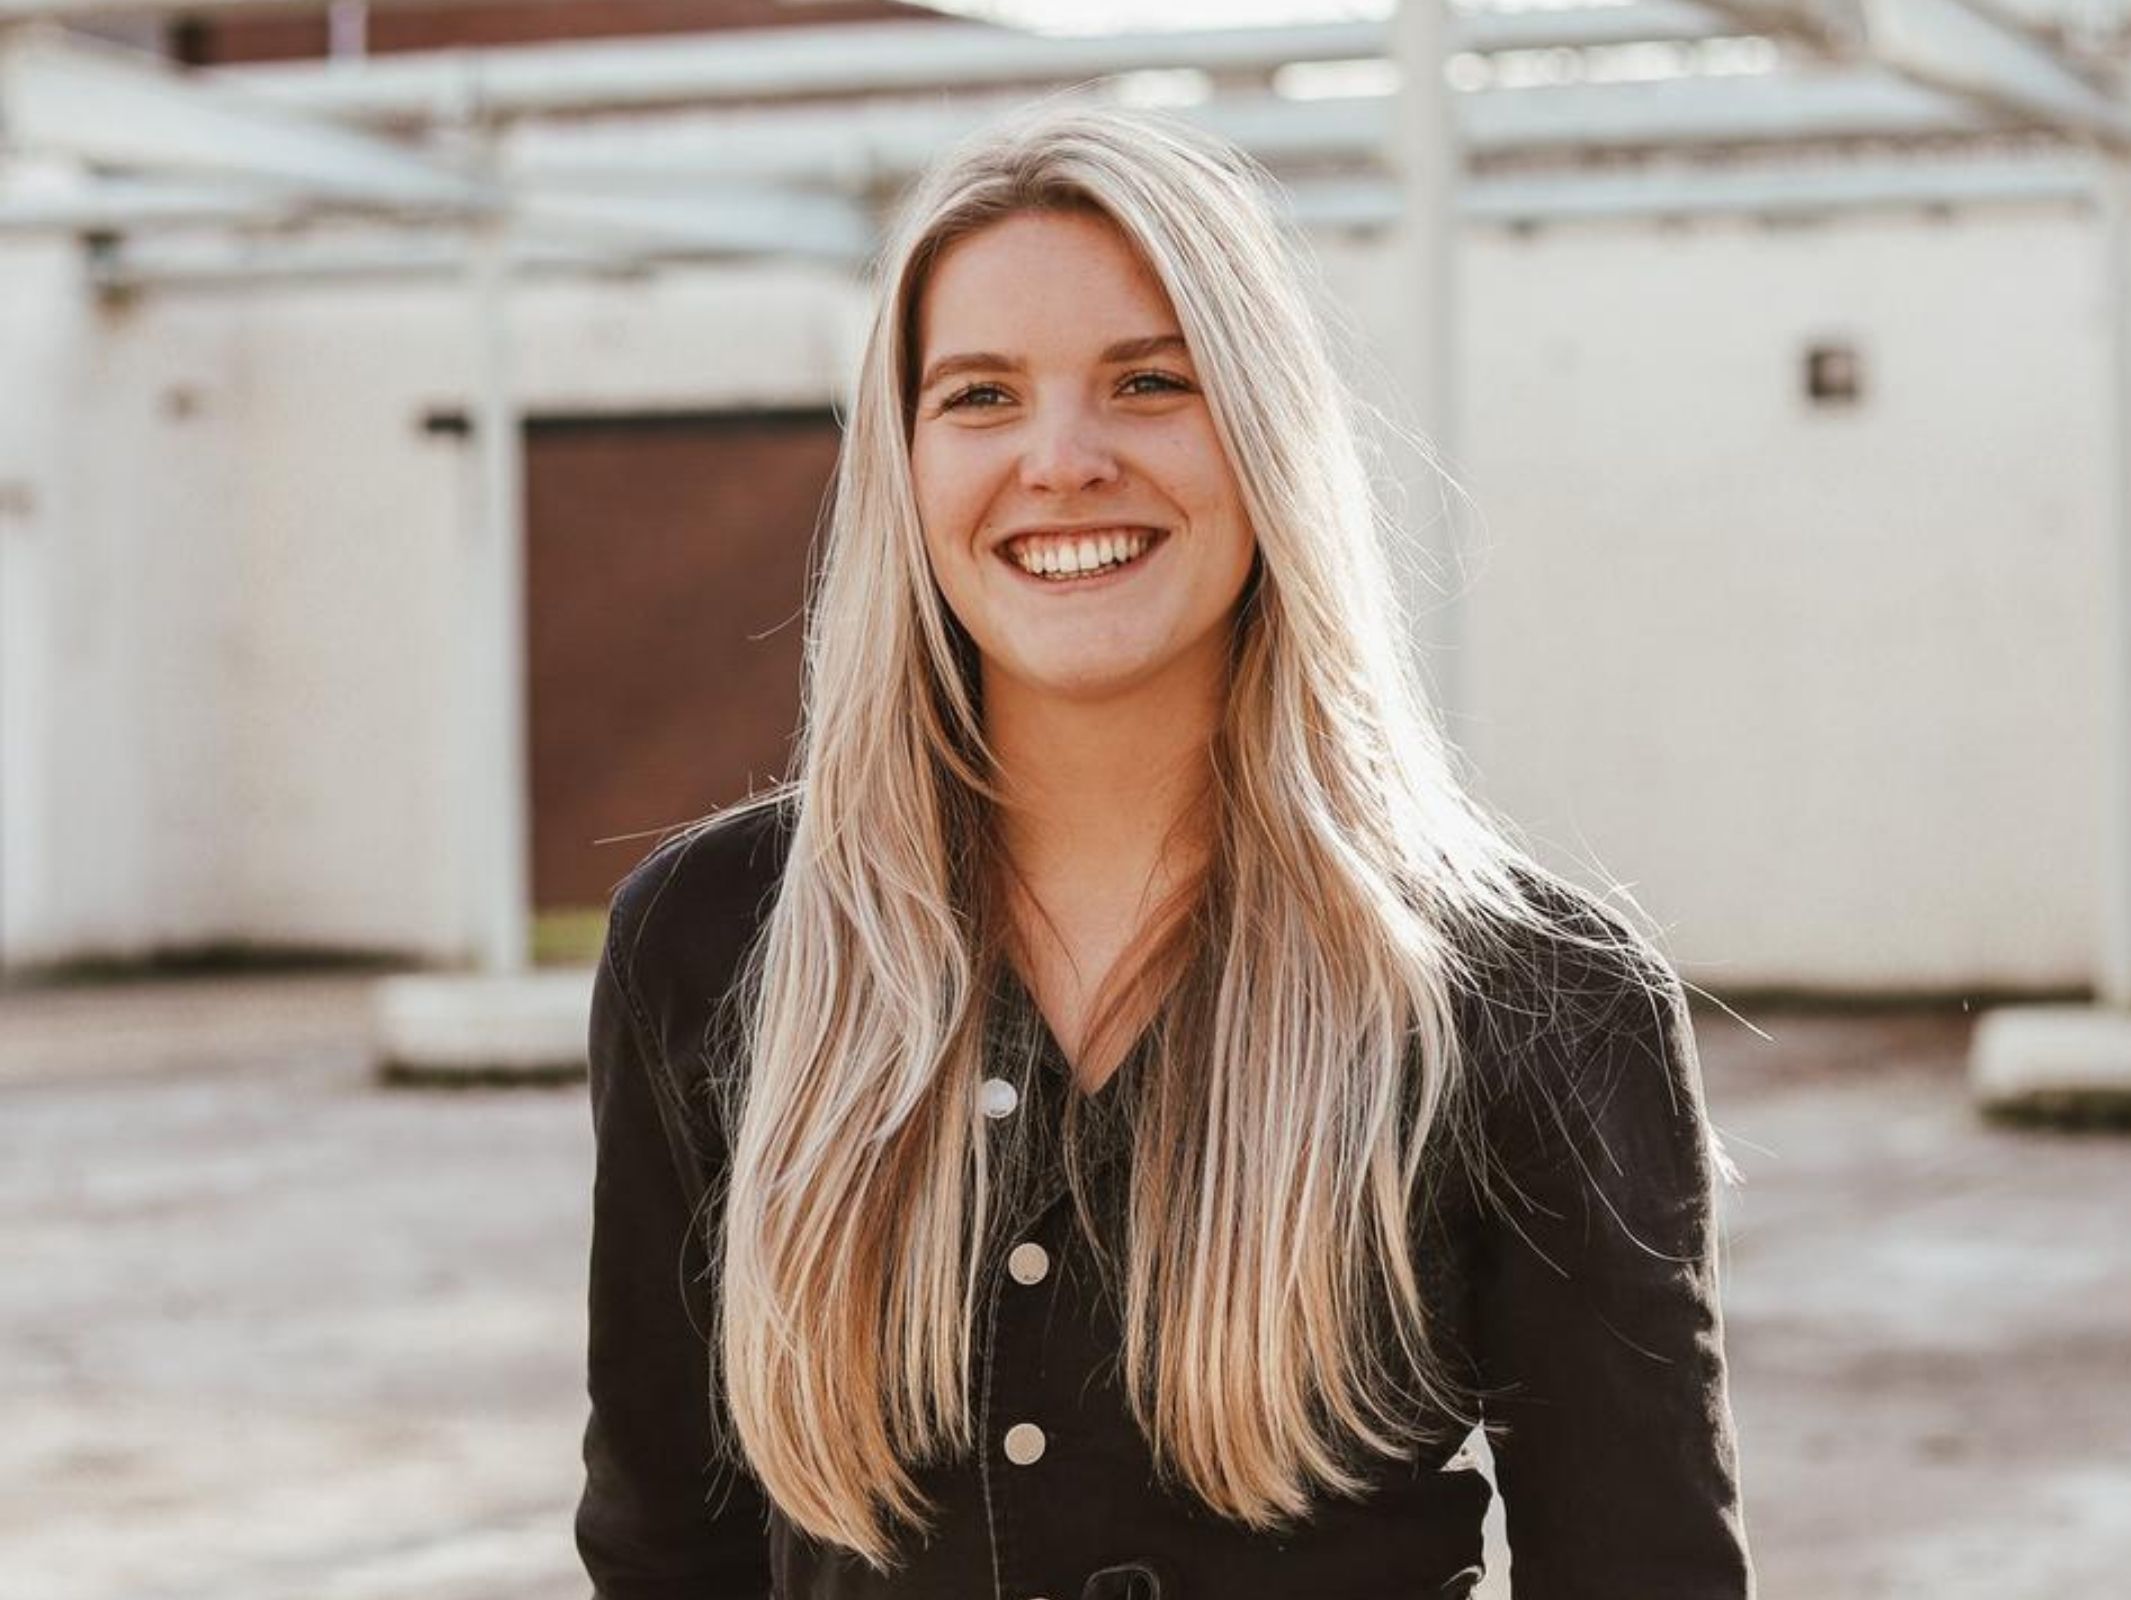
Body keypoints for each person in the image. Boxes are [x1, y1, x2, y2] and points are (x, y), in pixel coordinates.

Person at [575, 100, 1753, 1600]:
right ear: (905, 464)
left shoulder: (1533, 1003)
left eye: (1149, 381)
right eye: (982, 397)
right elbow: (663, 1552)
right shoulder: (711, 944)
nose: (1061, 461)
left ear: (1263, 434)